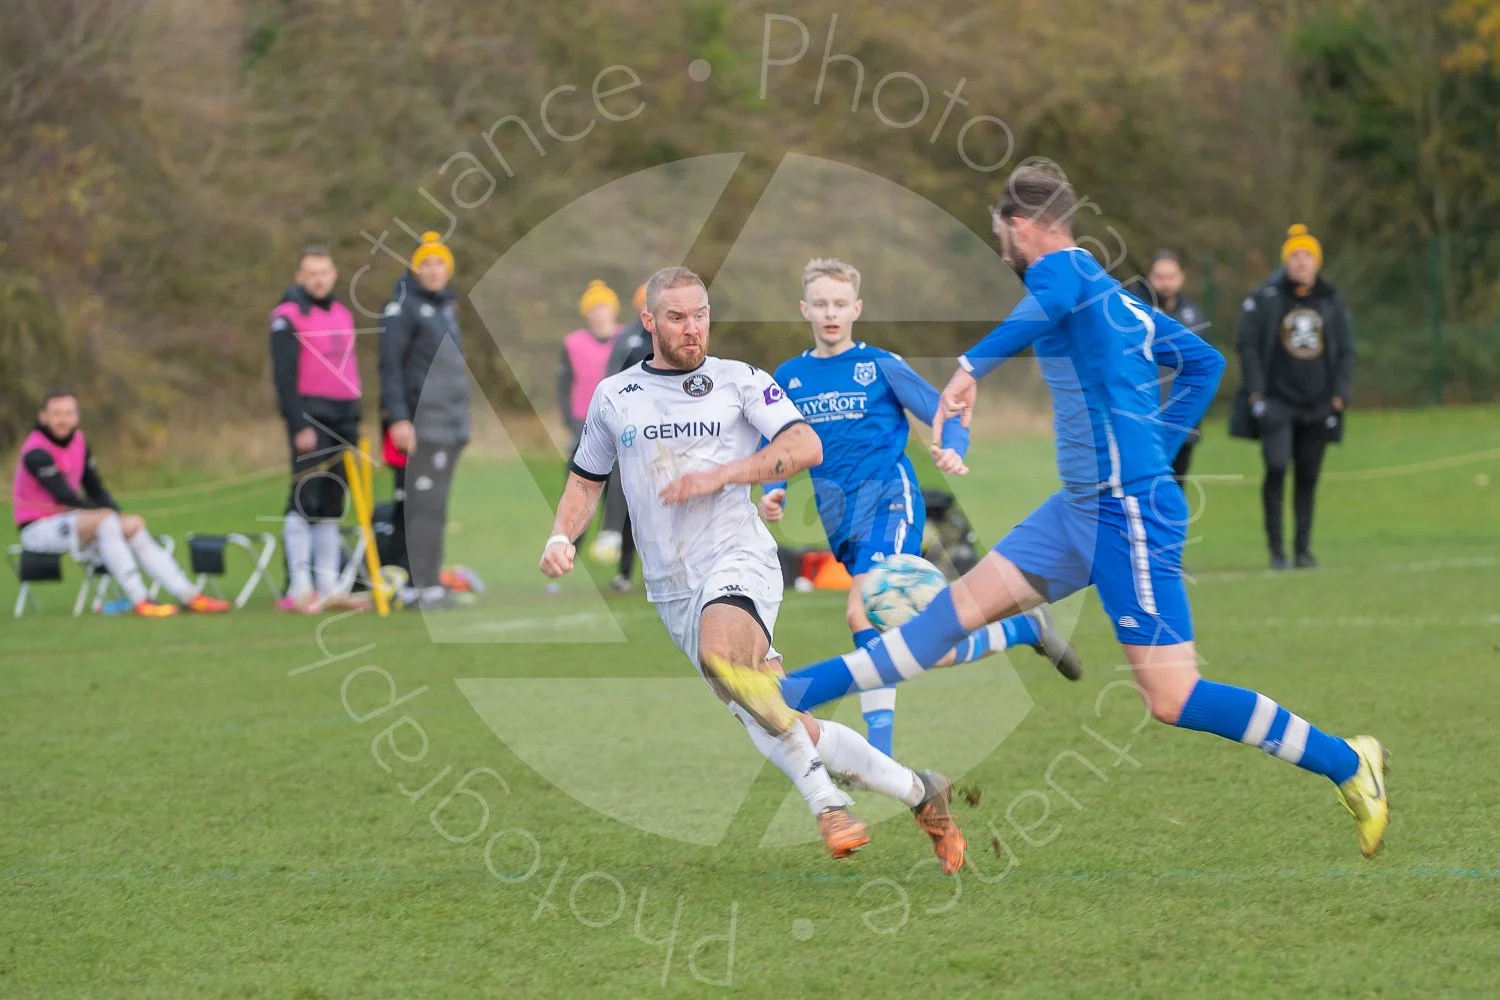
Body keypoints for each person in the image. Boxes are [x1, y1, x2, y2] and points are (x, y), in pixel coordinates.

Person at [716, 167, 1390, 861]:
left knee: (1173, 697)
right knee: (945, 618)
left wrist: (973, 368)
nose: (1001, 249)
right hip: (1076, 508)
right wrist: (1155, 445)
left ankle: (1348, 762)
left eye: (1000, 235)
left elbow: (1078, 309)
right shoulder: (1108, 294)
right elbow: (1203, 362)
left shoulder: (1063, 271)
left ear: (1024, 226)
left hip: (1129, 514)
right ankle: (786, 691)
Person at [539, 266, 967, 871]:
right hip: (671, 588)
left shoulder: (741, 381)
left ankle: (828, 805)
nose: (693, 328)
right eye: (677, 317)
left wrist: (722, 475)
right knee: (771, 712)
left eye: (701, 315)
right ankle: (922, 791)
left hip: (738, 557)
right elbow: (585, 482)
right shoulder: (615, 397)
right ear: (650, 322)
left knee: (724, 657)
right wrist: (562, 536)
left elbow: (805, 446)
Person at [758, 257, 1082, 757]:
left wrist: (952, 447)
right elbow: (782, 442)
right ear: (805, 309)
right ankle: (1021, 629)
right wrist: (773, 488)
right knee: (914, 642)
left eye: (840, 304)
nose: (831, 313)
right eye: (821, 304)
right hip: (841, 522)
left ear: (857, 308)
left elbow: (946, 410)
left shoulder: (879, 365)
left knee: (862, 611)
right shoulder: (791, 376)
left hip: (891, 505)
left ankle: (880, 757)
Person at [10, 390, 230, 617]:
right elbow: (64, 496)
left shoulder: (79, 441)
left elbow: (95, 488)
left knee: (133, 527)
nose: (62, 420)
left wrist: (120, 516)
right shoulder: (36, 450)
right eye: (56, 414)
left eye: (68, 413)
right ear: (43, 417)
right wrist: (110, 517)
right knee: (106, 522)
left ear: (77, 417)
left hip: (74, 523)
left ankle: (188, 595)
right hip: (38, 529)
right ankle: (140, 599)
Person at [1231, 225, 1355, 570]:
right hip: (1277, 402)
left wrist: (1340, 394)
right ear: (1286, 261)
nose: (1301, 262)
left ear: (1317, 262)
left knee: (1308, 476)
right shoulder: (1267, 298)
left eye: (1307, 256)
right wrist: (1256, 392)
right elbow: (1248, 346)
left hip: (1318, 403)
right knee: (1275, 468)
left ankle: (1303, 550)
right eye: (1295, 256)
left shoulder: (1331, 299)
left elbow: (1346, 349)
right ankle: (1276, 551)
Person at [269, 245, 366, 613]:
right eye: (311, 273)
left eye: (324, 272)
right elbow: (284, 377)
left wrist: (355, 416)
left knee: (332, 501)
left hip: (344, 417)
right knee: (304, 498)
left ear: (334, 275)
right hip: (311, 417)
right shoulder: (287, 316)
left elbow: (349, 367)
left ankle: (329, 585)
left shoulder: (342, 312)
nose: (319, 280)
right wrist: (298, 424)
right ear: (300, 277)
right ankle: (300, 586)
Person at [379, 231, 470, 611]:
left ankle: (431, 583)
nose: (433, 270)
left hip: (450, 425)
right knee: (421, 505)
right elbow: (390, 368)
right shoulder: (403, 308)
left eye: (439, 264)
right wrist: (400, 419)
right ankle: (417, 586)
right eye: (426, 264)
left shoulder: (446, 307)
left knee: (435, 508)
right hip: (421, 425)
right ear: (415, 269)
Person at [1126, 250, 1210, 485]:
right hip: (1143, 417)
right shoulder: (1134, 314)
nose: (1165, 283)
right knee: (1141, 488)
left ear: (1181, 277)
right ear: (1149, 277)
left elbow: (1203, 367)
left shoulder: (1194, 316)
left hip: (1182, 418)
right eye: (1159, 277)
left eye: (1171, 276)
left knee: (1174, 487)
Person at [556, 279, 623, 562]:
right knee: (579, 488)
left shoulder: (627, 339)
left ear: (613, 310)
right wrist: (570, 423)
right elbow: (563, 386)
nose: (599, 313)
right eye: (594, 308)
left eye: (604, 307)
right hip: (583, 424)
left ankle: (613, 537)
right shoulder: (573, 343)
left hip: (619, 424)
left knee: (620, 482)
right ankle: (567, 550)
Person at [596, 282, 653, 592]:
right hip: (633, 432)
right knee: (633, 504)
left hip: (667, 432)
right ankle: (625, 572)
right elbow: (612, 381)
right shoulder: (628, 337)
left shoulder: (670, 335)